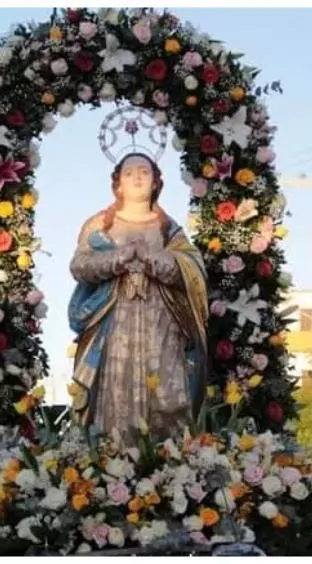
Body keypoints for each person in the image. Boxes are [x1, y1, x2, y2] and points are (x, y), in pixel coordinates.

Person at [68, 152, 208, 443]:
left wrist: (152, 258)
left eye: (144, 171)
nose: (137, 177)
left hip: (161, 322)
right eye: (129, 172)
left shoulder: (168, 229)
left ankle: (170, 464)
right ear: (117, 184)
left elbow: (193, 269)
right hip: (115, 320)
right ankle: (114, 459)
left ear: (156, 182)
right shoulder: (100, 225)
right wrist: (118, 258)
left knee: (167, 393)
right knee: (117, 390)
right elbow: (80, 265)